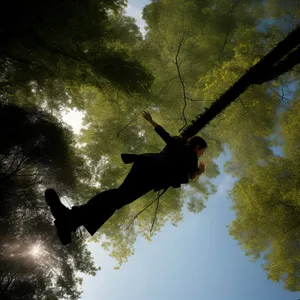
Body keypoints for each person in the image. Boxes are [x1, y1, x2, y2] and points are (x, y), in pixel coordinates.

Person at [45, 111, 207, 245]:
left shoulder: (178, 143)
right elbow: (191, 175)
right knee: (117, 198)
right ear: (197, 147)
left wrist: (152, 121)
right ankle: (69, 219)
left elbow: (165, 136)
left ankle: (71, 221)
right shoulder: (191, 155)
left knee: (116, 199)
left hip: (144, 165)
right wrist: (200, 171)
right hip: (151, 175)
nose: (201, 155)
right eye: (202, 152)